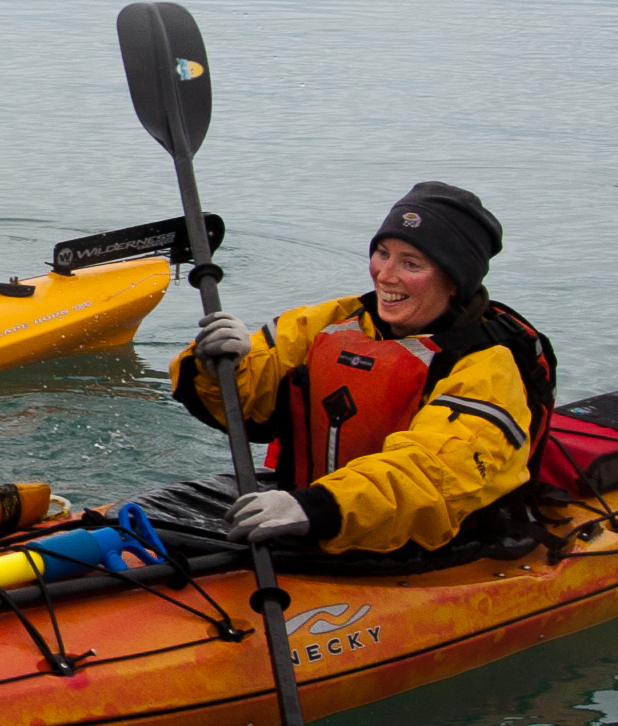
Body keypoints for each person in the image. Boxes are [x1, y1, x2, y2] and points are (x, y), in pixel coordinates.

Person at [169, 181, 551, 559]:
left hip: (418, 542)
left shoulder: (489, 368)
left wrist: (316, 508)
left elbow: (434, 476)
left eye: (410, 264)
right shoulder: (331, 321)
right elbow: (248, 403)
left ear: (455, 282)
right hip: (311, 509)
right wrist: (218, 363)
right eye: (382, 253)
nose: (385, 275)